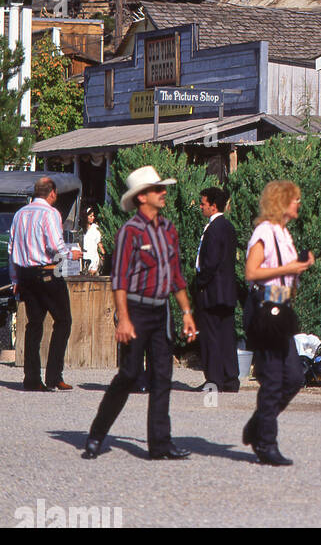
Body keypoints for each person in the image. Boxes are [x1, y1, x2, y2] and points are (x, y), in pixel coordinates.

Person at [82, 165, 197, 461]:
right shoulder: (129, 232)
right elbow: (119, 279)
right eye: (158, 189)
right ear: (142, 197)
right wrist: (124, 318)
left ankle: (160, 444)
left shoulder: (169, 229)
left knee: (162, 376)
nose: (163, 193)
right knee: (129, 374)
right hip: (135, 308)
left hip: (161, 311)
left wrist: (186, 312)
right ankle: (96, 434)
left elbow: (176, 275)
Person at [242, 180, 315, 466]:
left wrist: (298, 270)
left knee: (295, 377)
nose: (299, 203)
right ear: (281, 201)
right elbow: (251, 272)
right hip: (265, 308)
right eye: (294, 199)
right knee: (272, 379)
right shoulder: (264, 231)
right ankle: (266, 443)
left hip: (281, 308)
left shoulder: (284, 234)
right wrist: (290, 268)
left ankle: (258, 424)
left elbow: (284, 274)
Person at [9, 175, 82, 391]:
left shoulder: (20, 213)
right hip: (47, 273)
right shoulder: (51, 213)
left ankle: (31, 378)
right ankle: (53, 375)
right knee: (63, 321)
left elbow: (12, 249)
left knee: (34, 324)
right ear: (52, 193)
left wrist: (15, 279)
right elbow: (55, 245)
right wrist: (72, 253)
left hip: (25, 274)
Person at [195, 186, 240, 392]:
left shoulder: (214, 229)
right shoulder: (229, 227)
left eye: (203, 204)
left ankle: (214, 378)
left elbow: (211, 262)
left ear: (213, 206)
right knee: (226, 335)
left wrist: (200, 281)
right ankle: (230, 378)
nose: (201, 207)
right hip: (227, 291)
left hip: (213, 290)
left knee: (211, 335)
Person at [82, 205, 105, 275]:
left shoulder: (95, 228)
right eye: (90, 216)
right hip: (83, 259)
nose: (93, 218)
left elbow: (100, 244)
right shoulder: (81, 229)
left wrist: (103, 255)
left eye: (93, 216)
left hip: (93, 259)